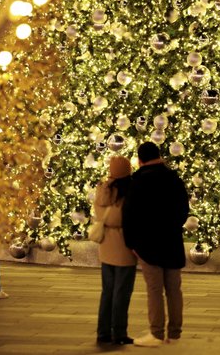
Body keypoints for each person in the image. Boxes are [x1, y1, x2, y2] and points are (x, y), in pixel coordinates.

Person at [122, 142, 189, 347]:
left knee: (154, 290)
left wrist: (131, 243)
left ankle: (157, 334)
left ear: (140, 160)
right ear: (158, 155)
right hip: (171, 241)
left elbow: (129, 215)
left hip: (148, 244)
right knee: (174, 290)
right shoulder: (173, 178)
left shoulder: (138, 181)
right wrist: (173, 226)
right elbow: (183, 209)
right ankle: (175, 334)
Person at [93, 156, 138, 345]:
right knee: (122, 292)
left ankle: (103, 332)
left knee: (107, 291)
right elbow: (130, 220)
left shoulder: (103, 189)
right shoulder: (130, 191)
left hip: (106, 246)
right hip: (124, 246)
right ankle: (119, 332)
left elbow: (99, 213)